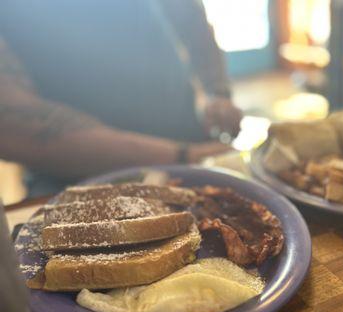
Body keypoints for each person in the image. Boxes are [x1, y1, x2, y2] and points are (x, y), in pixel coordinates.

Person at [0, 0, 242, 196]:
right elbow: (11, 126)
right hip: (74, 179)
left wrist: (216, 92)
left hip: (191, 144)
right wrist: (182, 157)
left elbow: (189, 15)